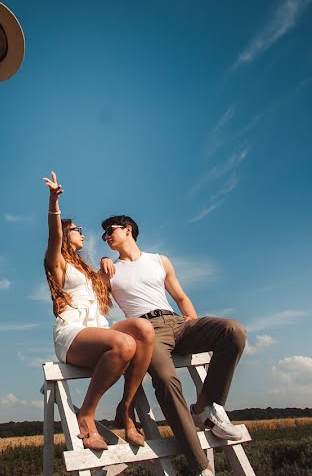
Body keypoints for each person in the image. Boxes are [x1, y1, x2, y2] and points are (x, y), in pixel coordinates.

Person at [100, 215, 246, 476]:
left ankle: (205, 409)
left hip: (179, 323)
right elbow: (94, 298)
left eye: (110, 231)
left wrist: (194, 323)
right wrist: (102, 265)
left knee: (232, 331)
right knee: (166, 381)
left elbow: (179, 296)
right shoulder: (110, 270)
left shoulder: (159, 260)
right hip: (146, 331)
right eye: (103, 235)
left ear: (128, 229)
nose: (106, 237)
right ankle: (201, 467)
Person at [43, 173, 155, 450]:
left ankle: (126, 412)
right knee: (125, 342)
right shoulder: (57, 262)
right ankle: (87, 414)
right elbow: (54, 234)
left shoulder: (88, 272)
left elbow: (105, 277)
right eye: (76, 229)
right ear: (67, 235)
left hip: (99, 331)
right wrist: (54, 202)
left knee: (143, 329)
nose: (81, 232)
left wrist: (105, 258)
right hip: (72, 334)